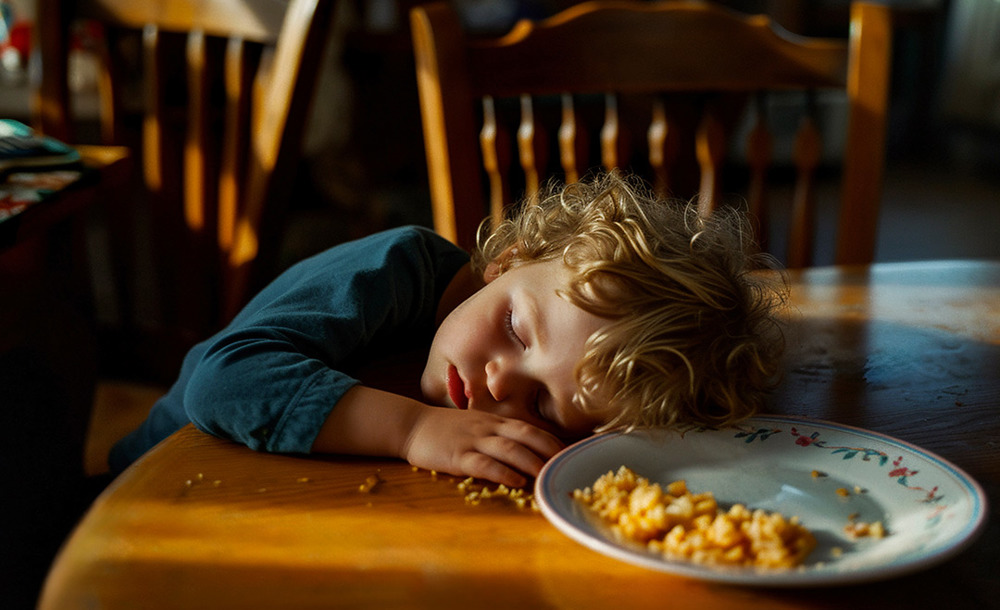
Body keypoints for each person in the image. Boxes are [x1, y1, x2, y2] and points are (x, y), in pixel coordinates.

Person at [109, 172, 785, 487]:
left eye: (546, 404)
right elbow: (223, 383)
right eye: (519, 331)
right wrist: (413, 430)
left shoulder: (498, 356)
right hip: (149, 489)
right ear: (508, 262)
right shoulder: (390, 268)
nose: (498, 384)